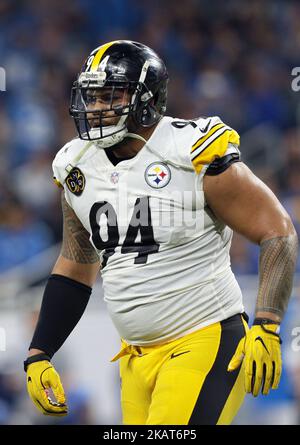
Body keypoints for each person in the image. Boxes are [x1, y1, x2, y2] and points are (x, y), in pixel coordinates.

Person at [23, 40, 298, 425]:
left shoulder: (192, 150)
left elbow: (278, 231)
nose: (98, 108)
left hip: (205, 340)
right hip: (134, 359)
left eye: (110, 96)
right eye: (92, 97)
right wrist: (40, 352)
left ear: (147, 99)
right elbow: (76, 263)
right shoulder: (76, 165)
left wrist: (267, 324)